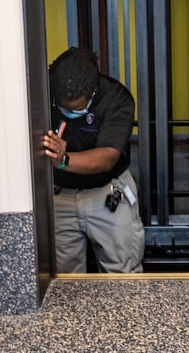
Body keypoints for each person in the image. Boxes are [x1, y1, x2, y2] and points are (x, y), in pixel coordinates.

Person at [43, 47, 144, 273]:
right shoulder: (43, 89)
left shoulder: (117, 98)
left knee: (122, 272)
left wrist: (64, 159)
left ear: (93, 92)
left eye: (76, 109)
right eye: (63, 108)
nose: (69, 112)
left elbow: (107, 158)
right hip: (60, 196)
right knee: (64, 280)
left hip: (107, 192)